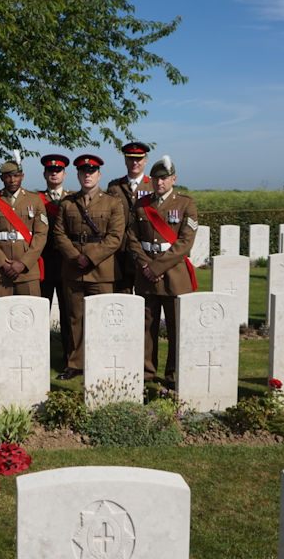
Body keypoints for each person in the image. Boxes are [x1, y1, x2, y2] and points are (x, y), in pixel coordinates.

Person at [125, 155, 198, 386]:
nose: (159, 183)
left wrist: (157, 267)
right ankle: (147, 373)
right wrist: (146, 266)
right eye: (156, 179)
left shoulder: (186, 204)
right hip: (146, 275)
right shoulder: (141, 205)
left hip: (174, 275)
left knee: (177, 329)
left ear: (173, 179)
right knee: (147, 328)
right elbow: (132, 238)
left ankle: (173, 375)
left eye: (164, 178)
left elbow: (184, 243)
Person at [52, 154, 126, 380]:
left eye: (91, 171)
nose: (87, 175)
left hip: (101, 270)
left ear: (98, 175)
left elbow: (115, 237)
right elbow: (59, 233)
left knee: (103, 319)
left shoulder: (113, 203)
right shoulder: (68, 203)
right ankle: (75, 363)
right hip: (73, 268)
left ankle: (103, 360)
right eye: (83, 172)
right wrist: (75, 256)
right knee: (75, 318)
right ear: (78, 174)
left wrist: (90, 257)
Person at [0, 150, 48, 298]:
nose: (12, 180)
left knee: (30, 314)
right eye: (8, 176)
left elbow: (41, 235)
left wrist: (23, 263)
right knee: (1, 317)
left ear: (22, 176)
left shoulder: (35, 200)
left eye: (16, 175)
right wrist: (2, 263)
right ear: (2, 177)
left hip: (28, 270)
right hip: (0, 271)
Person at [38, 153, 74, 359]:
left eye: (58, 171)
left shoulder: (73, 198)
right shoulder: (35, 199)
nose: (54, 174)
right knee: (41, 310)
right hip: (43, 262)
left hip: (67, 262)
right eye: (51, 171)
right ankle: (41, 356)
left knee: (69, 313)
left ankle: (70, 358)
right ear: (44, 174)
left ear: (64, 174)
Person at [106, 141, 152, 293]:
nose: (135, 163)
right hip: (120, 250)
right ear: (125, 160)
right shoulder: (114, 186)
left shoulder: (152, 186)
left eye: (138, 159)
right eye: (131, 158)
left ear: (145, 161)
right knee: (121, 296)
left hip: (144, 250)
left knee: (145, 299)